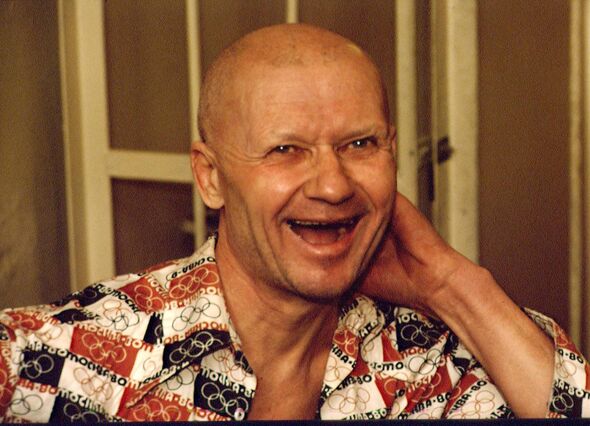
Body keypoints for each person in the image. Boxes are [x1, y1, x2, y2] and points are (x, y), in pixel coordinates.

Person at [0, 24, 588, 422]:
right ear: (210, 176)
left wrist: (453, 285)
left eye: (360, 144)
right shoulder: (54, 360)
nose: (333, 186)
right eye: (286, 150)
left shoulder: (433, 358)